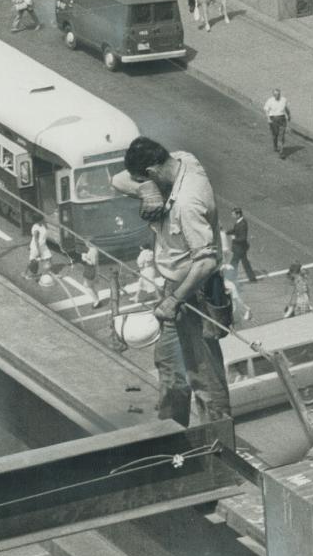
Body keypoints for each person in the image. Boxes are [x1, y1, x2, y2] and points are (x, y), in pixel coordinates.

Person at [111, 136, 231, 426]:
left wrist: (175, 300)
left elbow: (206, 262)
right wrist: (146, 189)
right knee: (170, 370)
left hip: (194, 295)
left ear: (153, 170)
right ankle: (173, 437)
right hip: (173, 292)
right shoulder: (181, 160)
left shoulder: (188, 201)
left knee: (206, 382)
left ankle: (217, 448)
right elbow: (116, 180)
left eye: (146, 179)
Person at [227, 207, 256, 283]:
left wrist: (234, 239)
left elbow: (243, 238)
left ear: (238, 214)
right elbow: (234, 230)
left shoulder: (242, 224)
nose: (232, 216)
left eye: (233, 214)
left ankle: (230, 278)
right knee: (245, 263)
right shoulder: (239, 222)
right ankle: (252, 278)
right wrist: (227, 232)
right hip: (241, 248)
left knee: (233, 263)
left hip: (239, 248)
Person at [263, 88, 290, 159]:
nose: (277, 96)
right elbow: (266, 110)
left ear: (280, 94)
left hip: (282, 119)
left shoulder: (284, 100)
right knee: (275, 135)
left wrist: (289, 115)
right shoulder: (270, 101)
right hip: (273, 119)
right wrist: (268, 118)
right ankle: (275, 146)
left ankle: (281, 152)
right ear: (273, 95)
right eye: (275, 95)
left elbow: (286, 108)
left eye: (278, 94)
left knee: (281, 135)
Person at [26, 215, 51, 279]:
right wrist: (39, 252)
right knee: (33, 262)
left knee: (48, 258)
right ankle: (29, 275)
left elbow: (47, 230)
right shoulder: (36, 229)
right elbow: (35, 240)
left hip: (43, 245)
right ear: (39, 221)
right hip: (36, 247)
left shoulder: (43, 225)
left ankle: (44, 274)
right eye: (43, 219)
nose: (44, 220)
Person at [80, 240, 100, 307]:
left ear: (89, 243)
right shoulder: (93, 249)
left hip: (91, 270)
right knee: (91, 286)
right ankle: (97, 300)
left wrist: (84, 258)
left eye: (86, 242)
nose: (85, 244)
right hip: (94, 270)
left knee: (87, 286)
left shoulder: (93, 250)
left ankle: (96, 301)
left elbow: (93, 263)